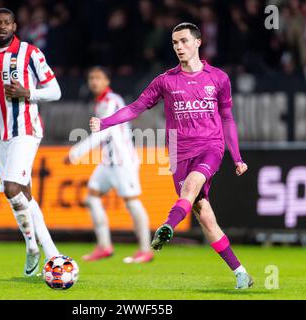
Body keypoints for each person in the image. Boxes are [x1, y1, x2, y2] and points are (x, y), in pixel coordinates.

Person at [90, 23, 253, 289]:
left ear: (198, 42)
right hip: (178, 154)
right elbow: (136, 107)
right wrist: (105, 122)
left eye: (184, 41)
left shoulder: (219, 78)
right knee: (205, 217)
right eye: (175, 42)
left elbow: (227, 118)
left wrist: (236, 157)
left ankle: (167, 226)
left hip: (210, 147)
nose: (179, 46)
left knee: (190, 187)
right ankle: (240, 273)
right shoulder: (166, 81)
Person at [0, 8, 61, 277]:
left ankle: (38, 249)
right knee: (23, 195)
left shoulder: (30, 53)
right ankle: (45, 252)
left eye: (7, 23)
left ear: (15, 26)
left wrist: (28, 92)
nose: (2, 27)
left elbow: (55, 91)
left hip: (26, 129)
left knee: (11, 187)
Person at [66, 66, 153, 263]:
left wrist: (76, 152)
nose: (94, 82)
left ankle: (145, 249)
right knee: (92, 197)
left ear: (107, 81)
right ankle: (104, 246)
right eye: (91, 78)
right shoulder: (100, 103)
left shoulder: (113, 101)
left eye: (98, 78)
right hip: (108, 162)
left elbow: (104, 131)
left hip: (123, 161)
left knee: (131, 201)